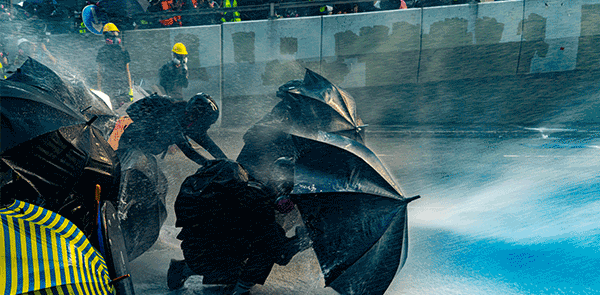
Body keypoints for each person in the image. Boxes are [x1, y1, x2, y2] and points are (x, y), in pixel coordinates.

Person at [167, 157, 308, 294]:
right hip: (206, 254)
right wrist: (303, 241)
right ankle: (240, 290)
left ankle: (183, 268)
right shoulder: (260, 201)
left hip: (196, 251)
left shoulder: (248, 187)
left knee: (241, 251)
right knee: (265, 251)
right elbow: (279, 253)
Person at [96, 22, 133, 109]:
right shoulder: (103, 51)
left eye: (116, 35)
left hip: (118, 85)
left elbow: (127, 71)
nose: (115, 37)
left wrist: (130, 89)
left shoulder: (123, 51)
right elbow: (99, 72)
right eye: (112, 35)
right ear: (106, 37)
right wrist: (99, 90)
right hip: (112, 85)